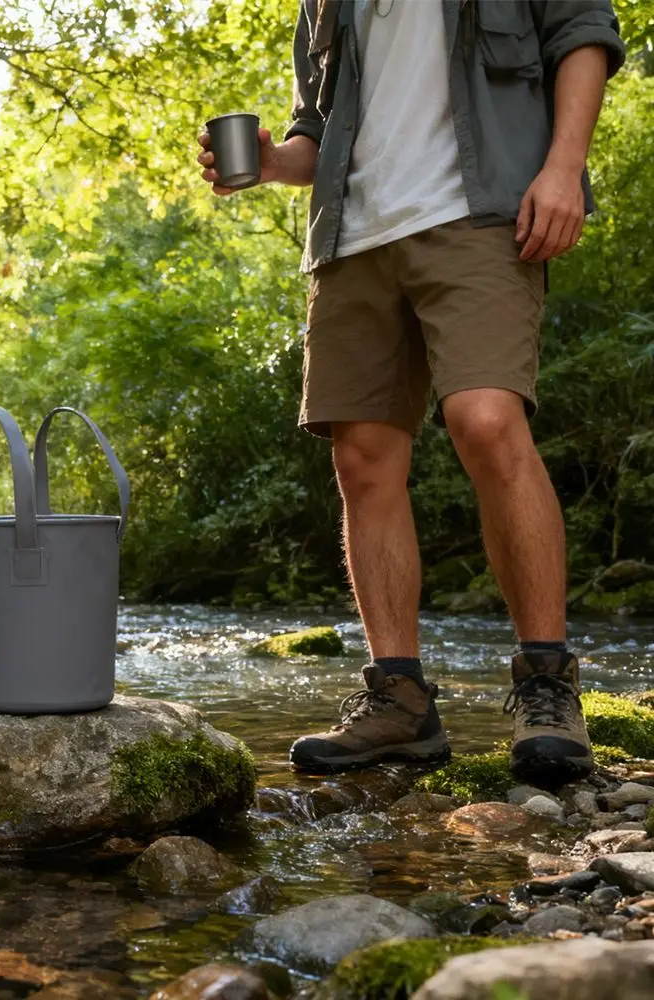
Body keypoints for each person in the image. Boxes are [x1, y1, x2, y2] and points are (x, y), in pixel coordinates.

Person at [197, 0, 626, 785]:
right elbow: (316, 131)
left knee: (487, 419)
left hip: (482, 212)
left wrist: (564, 165)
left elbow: (582, 35)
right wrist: (272, 159)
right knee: (362, 461)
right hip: (353, 235)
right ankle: (400, 702)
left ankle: (547, 685)